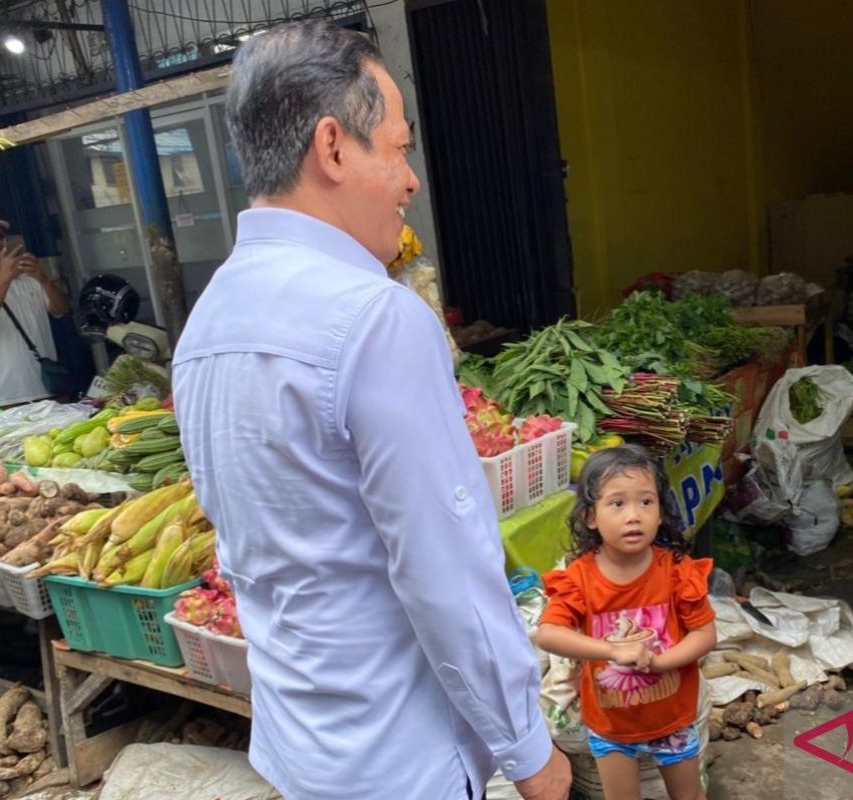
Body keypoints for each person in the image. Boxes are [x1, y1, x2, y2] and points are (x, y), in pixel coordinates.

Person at [172, 21, 569, 800]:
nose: (411, 178)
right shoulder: (373, 318)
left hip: (300, 746)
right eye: (396, 147)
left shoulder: (209, 319)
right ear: (333, 147)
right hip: (400, 754)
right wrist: (528, 749)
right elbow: (444, 572)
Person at [537, 445, 716, 800]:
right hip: (610, 728)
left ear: (662, 511)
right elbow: (548, 634)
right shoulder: (579, 579)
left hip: (673, 719)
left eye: (646, 502)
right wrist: (612, 650)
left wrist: (659, 662)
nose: (634, 515)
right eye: (617, 503)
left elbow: (705, 634)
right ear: (591, 516)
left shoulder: (678, 571)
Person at [0, 219, 69, 407]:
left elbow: (61, 310)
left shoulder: (29, 279)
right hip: (7, 396)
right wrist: (4, 277)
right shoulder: (4, 279)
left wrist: (43, 278)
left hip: (48, 387)